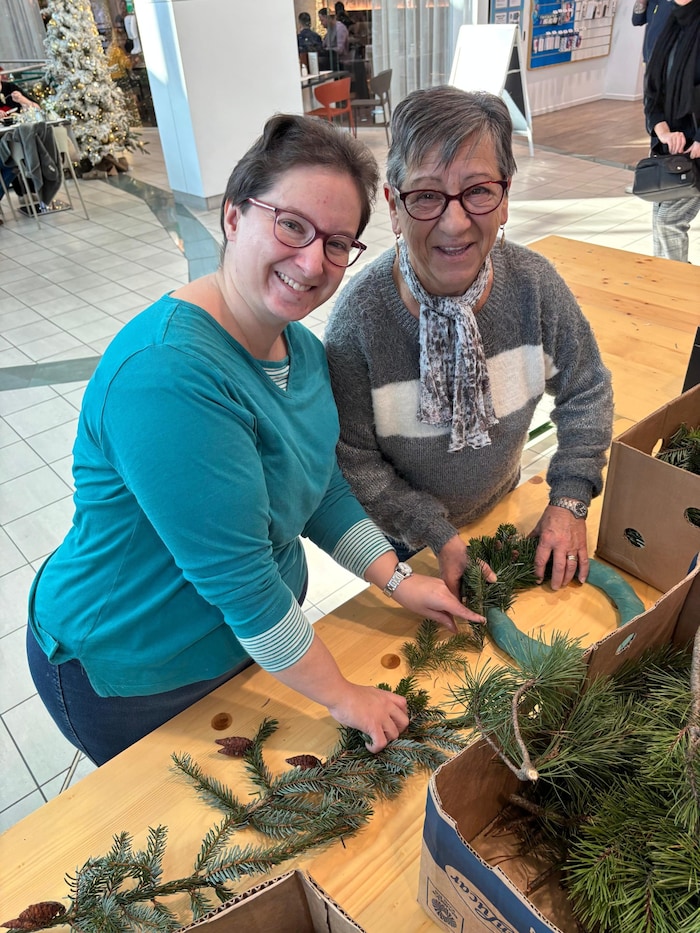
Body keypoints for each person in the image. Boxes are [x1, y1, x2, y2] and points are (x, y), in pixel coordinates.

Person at [26, 113, 480, 767]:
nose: (311, 260)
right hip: (135, 665)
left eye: (336, 243)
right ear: (235, 216)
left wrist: (397, 578)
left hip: (250, 644)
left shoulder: (297, 346)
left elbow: (317, 482)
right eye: (292, 225)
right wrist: (345, 696)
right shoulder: (168, 378)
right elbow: (242, 582)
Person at [324, 87, 614, 602]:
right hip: (407, 547)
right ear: (393, 205)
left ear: (505, 199)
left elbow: (587, 388)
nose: (454, 223)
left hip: (505, 509)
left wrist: (569, 497)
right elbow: (355, 460)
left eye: (478, 190)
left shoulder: (534, 287)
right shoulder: (359, 321)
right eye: (427, 195)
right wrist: (435, 534)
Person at [643, 0, 700, 262]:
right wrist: (662, 131)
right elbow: (653, 88)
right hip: (670, 148)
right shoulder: (668, 21)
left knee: (669, 221)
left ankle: (676, 289)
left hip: (695, 148)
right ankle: (668, 284)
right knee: (660, 219)